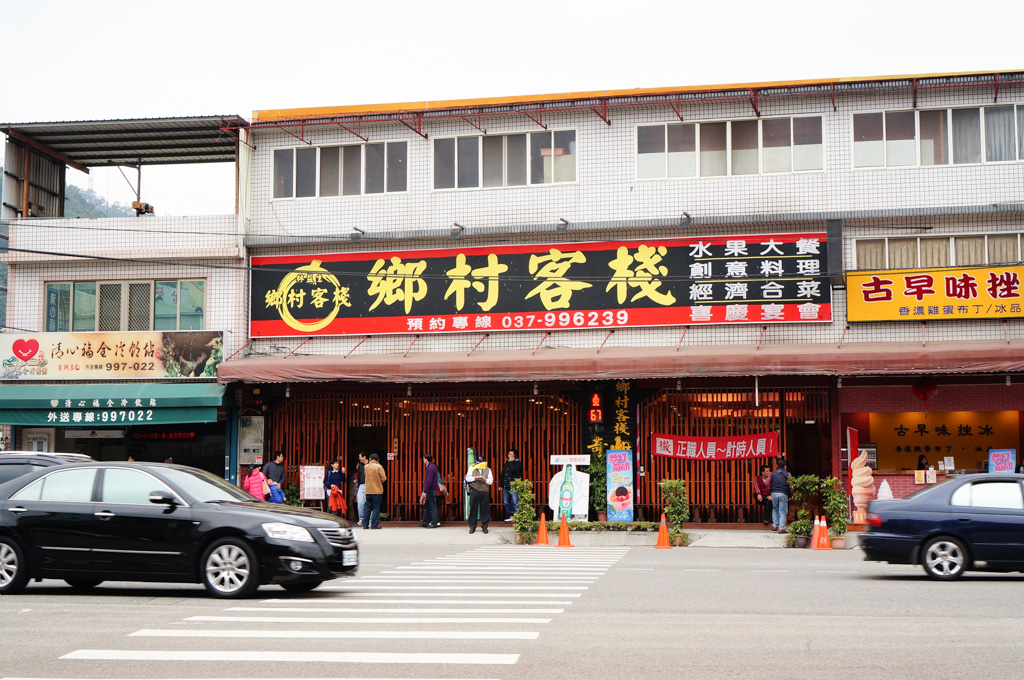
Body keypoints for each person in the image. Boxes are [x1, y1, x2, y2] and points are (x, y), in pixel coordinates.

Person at [465, 451, 493, 534]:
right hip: (475, 490)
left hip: (484, 491)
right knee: (473, 509)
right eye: (478, 462)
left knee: (484, 509)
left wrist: (485, 480)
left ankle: (484, 526)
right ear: (476, 462)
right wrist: (475, 478)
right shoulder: (472, 468)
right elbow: (467, 478)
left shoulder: (488, 469)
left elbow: (491, 481)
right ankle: (472, 526)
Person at [362, 453, 386, 529]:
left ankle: (365, 525)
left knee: (367, 507)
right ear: (377, 460)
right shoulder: (379, 466)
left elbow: (365, 475)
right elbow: (384, 478)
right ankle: (374, 525)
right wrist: (379, 481)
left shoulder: (366, 467)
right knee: (376, 507)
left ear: (370, 459)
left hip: (368, 490)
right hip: (377, 490)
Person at [499, 448, 523, 521]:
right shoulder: (506, 463)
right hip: (506, 484)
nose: (509, 456)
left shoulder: (518, 463)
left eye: (510, 454)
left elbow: (514, 470)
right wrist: (500, 485)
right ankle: (511, 515)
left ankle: (517, 516)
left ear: (515, 455)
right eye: (508, 454)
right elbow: (503, 474)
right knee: (506, 502)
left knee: (515, 501)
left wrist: (510, 462)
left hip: (514, 484)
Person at [770, 458, 791, 534]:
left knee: (775, 509)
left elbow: (767, 483)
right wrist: (790, 494)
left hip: (774, 493)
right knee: (782, 511)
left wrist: (771, 489)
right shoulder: (788, 474)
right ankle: (781, 528)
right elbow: (791, 485)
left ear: (776, 465)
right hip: (783, 493)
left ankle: (774, 525)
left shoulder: (772, 474)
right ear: (785, 466)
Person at [419, 453, 441, 528]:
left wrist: (424, 491)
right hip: (430, 490)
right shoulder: (431, 466)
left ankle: (434, 523)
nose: (423, 460)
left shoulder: (431, 467)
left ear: (426, 459)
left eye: (423, 458)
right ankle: (425, 522)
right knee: (427, 507)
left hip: (431, 490)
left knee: (432, 507)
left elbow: (428, 480)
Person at [354, 452, 368, 522]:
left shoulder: (370, 465)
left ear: (364, 457)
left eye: (360, 457)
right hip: (361, 485)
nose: (359, 459)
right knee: (359, 502)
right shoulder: (359, 465)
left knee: (368, 502)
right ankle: (361, 518)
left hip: (369, 485)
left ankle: (368, 519)